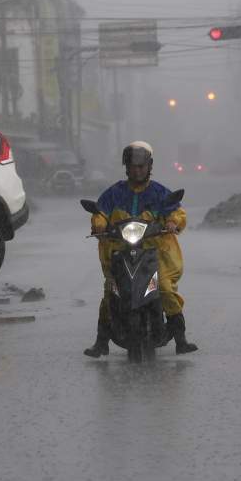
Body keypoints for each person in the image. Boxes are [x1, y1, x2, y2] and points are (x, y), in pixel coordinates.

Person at [84, 141, 199, 357]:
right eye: (132, 167)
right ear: (126, 168)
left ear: (149, 167)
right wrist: (99, 224)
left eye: (141, 166)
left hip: (156, 254)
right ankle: (101, 341)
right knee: (111, 291)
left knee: (164, 288)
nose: (137, 171)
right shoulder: (114, 193)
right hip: (120, 252)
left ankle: (180, 338)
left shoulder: (160, 193)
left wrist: (172, 221)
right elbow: (100, 212)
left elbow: (176, 212)